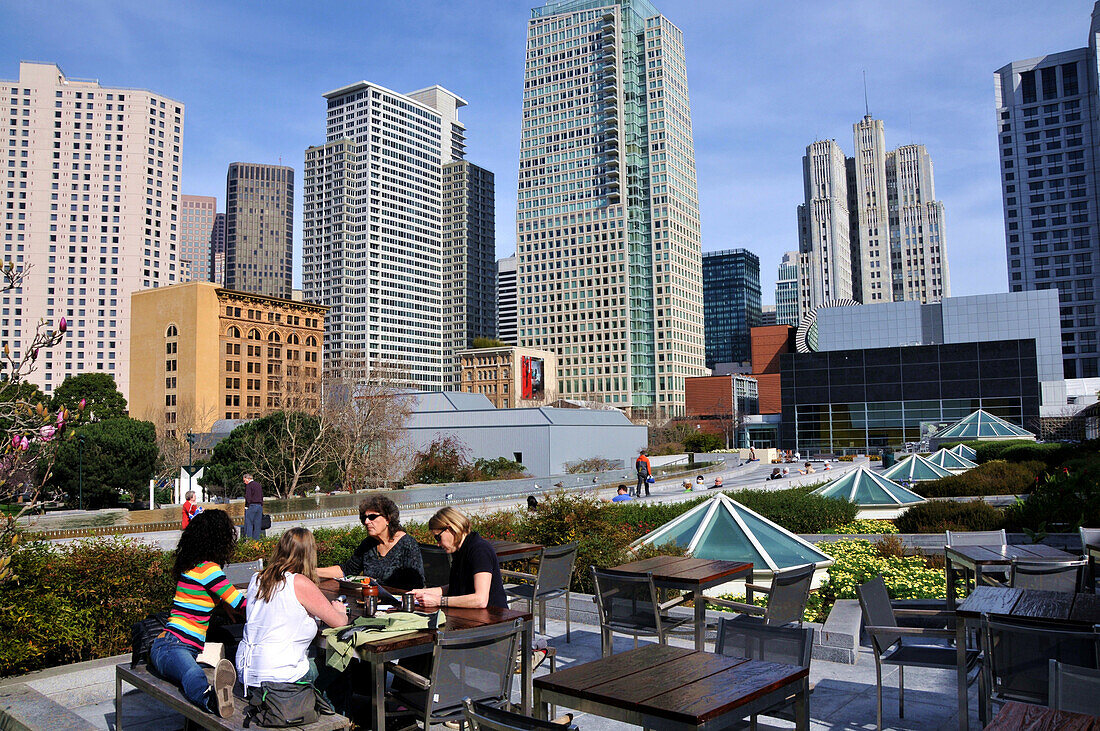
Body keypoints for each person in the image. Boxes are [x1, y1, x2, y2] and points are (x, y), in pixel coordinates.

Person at [150, 509, 244, 718]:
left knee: (194, 670)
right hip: (172, 646)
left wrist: (222, 603)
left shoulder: (193, 567)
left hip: (172, 645)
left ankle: (216, 695)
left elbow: (201, 599)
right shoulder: (209, 570)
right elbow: (241, 604)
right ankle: (212, 700)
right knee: (192, 674)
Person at [236, 528, 347, 692]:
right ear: (309, 553)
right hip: (280, 676)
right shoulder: (298, 582)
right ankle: (332, 714)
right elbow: (338, 622)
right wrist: (340, 611)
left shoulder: (257, 578)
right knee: (341, 665)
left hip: (247, 672)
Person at [317, 496, 425, 590]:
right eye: (364, 518)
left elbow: (416, 583)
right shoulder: (368, 544)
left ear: (388, 519)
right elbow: (347, 570)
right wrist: (311, 571)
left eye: (372, 517)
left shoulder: (408, 544)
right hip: (371, 600)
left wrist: (375, 582)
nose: (366, 522)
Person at [411, 507, 506, 610]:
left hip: (493, 619)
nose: (438, 544)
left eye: (438, 538)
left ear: (450, 529)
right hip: (471, 616)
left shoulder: (480, 550)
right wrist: (422, 592)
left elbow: (480, 600)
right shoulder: (459, 550)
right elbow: (456, 586)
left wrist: (439, 601)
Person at [242, 473, 263, 541]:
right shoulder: (258, 485)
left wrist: (247, 506)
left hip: (252, 506)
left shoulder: (249, 485)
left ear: (248, 479)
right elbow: (261, 496)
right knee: (257, 525)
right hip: (259, 506)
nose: (244, 482)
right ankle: (257, 541)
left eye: (244, 480)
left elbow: (248, 497)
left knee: (249, 524)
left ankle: (249, 541)